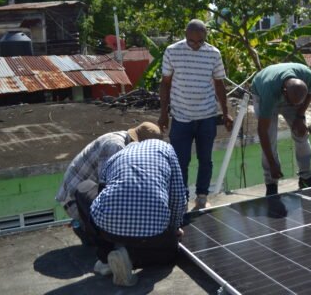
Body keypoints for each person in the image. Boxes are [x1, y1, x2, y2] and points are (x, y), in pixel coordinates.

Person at [74, 139, 187, 287]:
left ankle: (106, 256)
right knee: (171, 253)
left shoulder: (116, 157)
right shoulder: (167, 149)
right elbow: (178, 196)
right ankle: (129, 256)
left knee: (83, 187)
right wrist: (174, 228)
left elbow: (102, 193)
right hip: (153, 233)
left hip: (108, 229)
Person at [158, 19, 233, 210]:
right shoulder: (172, 51)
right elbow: (165, 83)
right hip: (180, 118)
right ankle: (182, 199)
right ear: (185, 36)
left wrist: (226, 113)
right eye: (192, 41)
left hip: (207, 116)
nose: (196, 45)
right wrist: (163, 113)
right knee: (180, 162)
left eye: (200, 41)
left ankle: (201, 196)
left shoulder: (213, 53)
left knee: (205, 160)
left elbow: (219, 84)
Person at [55, 122, 162, 245]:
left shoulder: (125, 141)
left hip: (86, 189)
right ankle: (88, 231)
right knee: (114, 232)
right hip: (74, 198)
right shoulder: (115, 147)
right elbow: (107, 189)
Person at [250, 62, 311, 196]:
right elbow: (262, 132)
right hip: (263, 93)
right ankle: (271, 184)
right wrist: (272, 164)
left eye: (296, 103)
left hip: (290, 94)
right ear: (284, 92)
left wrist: (300, 116)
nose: (292, 106)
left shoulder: (308, 77)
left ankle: (306, 177)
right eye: (291, 103)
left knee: (301, 134)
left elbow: (310, 94)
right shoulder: (269, 92)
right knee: (270, 139)